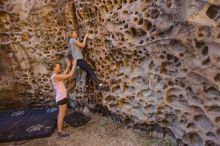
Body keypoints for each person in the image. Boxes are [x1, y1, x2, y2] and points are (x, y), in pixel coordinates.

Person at [50, 59, 77, 137]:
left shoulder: (55, 76)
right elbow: (69, 76)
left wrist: (68, 66)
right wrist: (74, 65)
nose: (59, 68)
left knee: (60, 114)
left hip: (60, 97)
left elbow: (64, 74)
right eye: (58, 67)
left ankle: (60, 127)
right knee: (62, 114)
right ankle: (60, 131)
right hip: (61, 98)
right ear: (54, 68)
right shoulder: (55, 76)